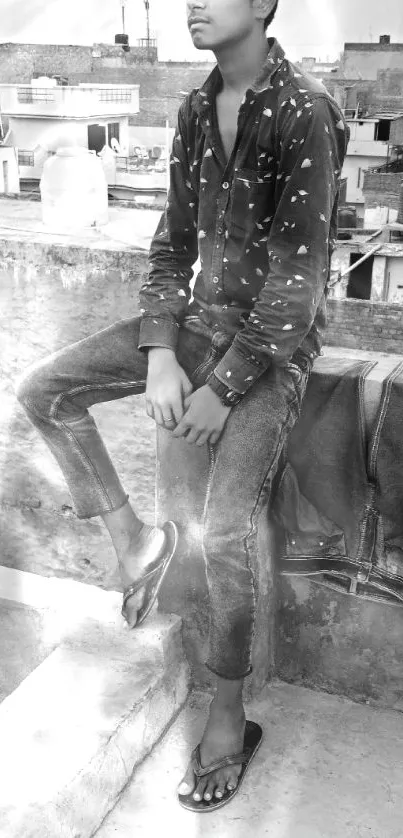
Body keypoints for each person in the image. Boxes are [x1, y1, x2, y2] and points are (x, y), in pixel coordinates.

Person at [16, 0, 349, 813]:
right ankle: (135, 541)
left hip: (268, 358)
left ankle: (229, 714)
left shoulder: (305, 110)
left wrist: (222, 386)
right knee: (44, 390)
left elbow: (297, 282)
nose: (192, 3)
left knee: (226, 529)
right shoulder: (197, 106)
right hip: (194, 328)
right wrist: (162, 353)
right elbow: (171, 241)